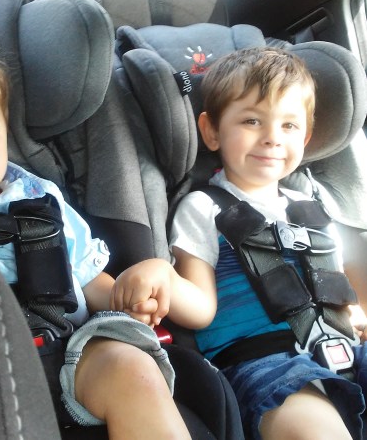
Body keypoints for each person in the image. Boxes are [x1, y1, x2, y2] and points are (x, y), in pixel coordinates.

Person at [0, 24, 192, 440]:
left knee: (133, 369)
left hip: (67, 353)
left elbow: (87, 280)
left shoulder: (40, 199)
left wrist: (126, 299)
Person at [112, 47, 367, 439]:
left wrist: (354, 312)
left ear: (306, 137)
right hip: (267, 363)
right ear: (212, 131)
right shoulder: (205, 207)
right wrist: (162, 274)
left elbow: (336, 280)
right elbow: (201, 309)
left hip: (346, 348)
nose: (272, 138)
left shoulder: (313, 206)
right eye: (252, 121)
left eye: (289, 125)